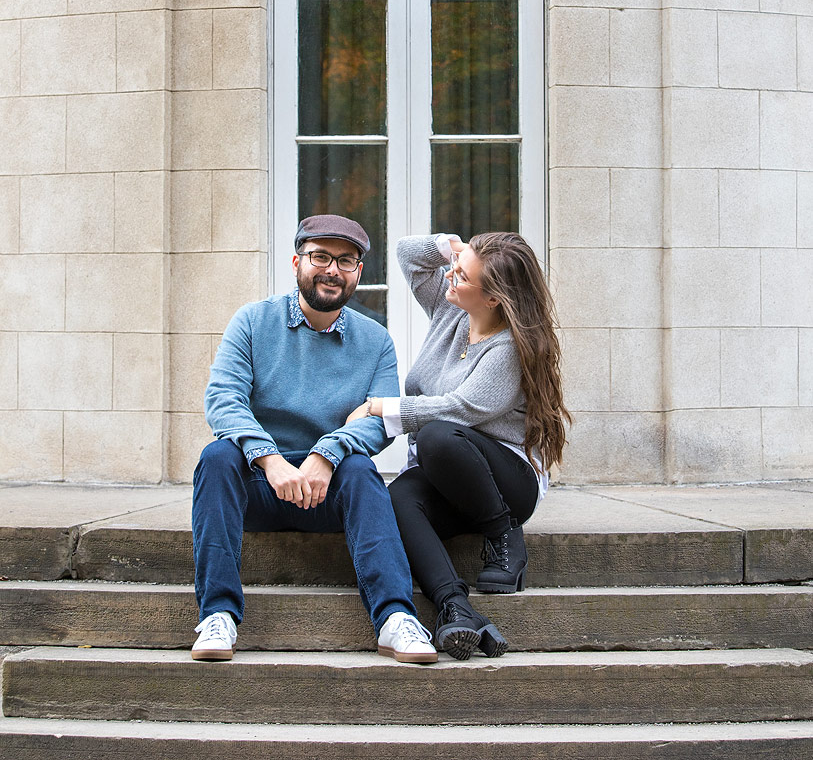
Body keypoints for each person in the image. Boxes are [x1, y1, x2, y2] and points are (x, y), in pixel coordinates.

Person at [191, 214, 437, 665]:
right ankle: (217, 615)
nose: (332, 270)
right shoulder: (253, 322)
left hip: (329, 493)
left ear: (358, 271)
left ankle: (395, 618)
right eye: (320, 257)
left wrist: (327, 453)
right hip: (259, 488)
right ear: (296, 263)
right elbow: (223, 400)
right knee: (217, 456)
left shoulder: (376, 340)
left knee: (361, 469)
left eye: (345, 260)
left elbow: (380, 419)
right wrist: (268, 459)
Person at [347, 232, 570, 661]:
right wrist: (451, 247)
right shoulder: (451, 309)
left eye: (463, 275)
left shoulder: (508, 349)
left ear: (493, 298)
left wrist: (379, 407)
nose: (450, 276)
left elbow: (459, 409)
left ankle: (503, 535)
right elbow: (408, 255)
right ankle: (454, 606)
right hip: (445, 474)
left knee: (438, 434)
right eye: (456, 267)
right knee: (397, 498)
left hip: (507, 484)